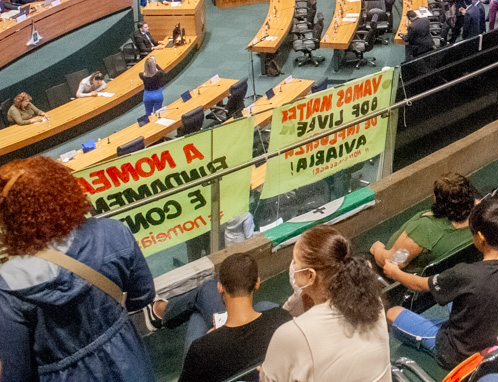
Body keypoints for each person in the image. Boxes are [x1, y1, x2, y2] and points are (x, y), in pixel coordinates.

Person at [0, 156, 156, 382]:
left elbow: (17, 372)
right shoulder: (112, 232)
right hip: (127, 357)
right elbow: (142, 296)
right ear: (64, 191)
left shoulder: (7, 284)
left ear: (12, 216)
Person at [383, 198, 498, 369]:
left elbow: (419, 285)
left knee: (392, 313)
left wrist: (396, 273)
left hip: (456, 354)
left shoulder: (463, 274)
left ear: (480, 238)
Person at [260, 225, 390, 382]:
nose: (293, 267)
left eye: (295, 262)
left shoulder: (293, 333)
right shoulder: (373, 302)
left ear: (310, 275)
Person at [176, 254, 293, 382]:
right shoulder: (282, 319)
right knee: (263, 305)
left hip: (213, 350)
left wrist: (212, 338)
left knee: (197, 316)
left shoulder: (201, 350)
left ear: (220, 287)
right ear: (257, 283)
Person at [370, 173, 477, 273]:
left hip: (406, 279)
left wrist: (377, 249)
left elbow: (393, 262)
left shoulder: (424, 230)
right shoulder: (482, 215)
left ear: (438, 200)